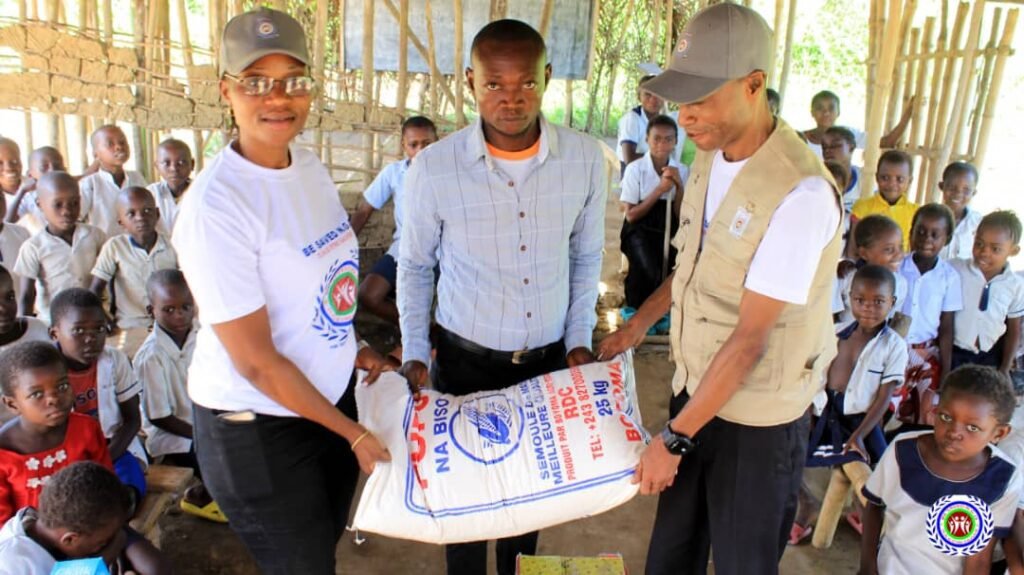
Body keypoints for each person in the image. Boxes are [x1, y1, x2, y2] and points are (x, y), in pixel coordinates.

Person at [596, 5, 843, 574]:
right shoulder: (710, 154)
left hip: (757, 421)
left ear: (754, 85)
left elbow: (751, 339)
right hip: (697, 387)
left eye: (701, 99)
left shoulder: (799, 193)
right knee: (672, 555)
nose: (685, 117)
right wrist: (636, 326)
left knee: (741, 562)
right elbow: (692, 269)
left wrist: (674, 440)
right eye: (680, 99)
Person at [171, 9, 391, 574]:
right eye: (255, 82)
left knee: (320, 548)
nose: (277, 97)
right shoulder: (216, 207)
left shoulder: (309, 168)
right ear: (227, 90)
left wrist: (353, 350)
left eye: (293, 80)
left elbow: (321, 291)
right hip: (256, 427)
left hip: (325, 402)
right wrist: (353, 431)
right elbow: (258, 363)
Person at [397, 18, 606, 575]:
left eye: (526, 84)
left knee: (526, 504)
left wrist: (580, 339)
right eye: (494, 84)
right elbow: (415, 266)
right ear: (470, 81)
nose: (511, 100)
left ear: (548, 78)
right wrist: (415, 349)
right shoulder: (434, 168)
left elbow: (587, 257)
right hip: (464, 363)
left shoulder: (586, 159)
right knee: (465, 506)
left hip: (544, 365)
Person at [861, 365, 1021, 575]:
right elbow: (874, 506)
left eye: (972, 428)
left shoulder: (1004, 478)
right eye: (946, 417)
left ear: (999, 433)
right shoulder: (903, 450)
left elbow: (980, 557)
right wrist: (867, 567)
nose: (954, 432)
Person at [792, 265, 908, 543]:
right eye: (860, 300)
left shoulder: (893, 346)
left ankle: (867, 521)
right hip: (825, 412)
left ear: (892, 303)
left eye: (879, 302)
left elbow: (883, 398)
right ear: (849, 299)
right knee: (789, 457)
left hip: (860, 422)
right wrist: (807, 409)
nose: (868, 308)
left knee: (872, 481)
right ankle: (806, 505)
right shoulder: (836, 332)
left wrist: (859, 436)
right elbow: (816, 375)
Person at [134, 269, 222, 523]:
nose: (180, 315)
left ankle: (217, 491)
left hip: (201, 418)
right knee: (209, 450)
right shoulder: (151, 357)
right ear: (152, 311)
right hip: (172, 431)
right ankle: (203, 497)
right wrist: (200, 431)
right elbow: (159, 417)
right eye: (169, 310)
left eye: (186, 306)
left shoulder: (202, 335)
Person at [48, 288, 146, 502]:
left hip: (112, 446)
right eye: (79, 331)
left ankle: (122, 515)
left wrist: (105, 459)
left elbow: (132, 420)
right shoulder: (43, 371)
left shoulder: (115, 360)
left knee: (129, 488)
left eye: (99, 329)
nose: (90, 339)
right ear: (54, 333)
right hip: (65, 452)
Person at [0, 341, 113, 523]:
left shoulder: (86, 429)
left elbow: (106, 483)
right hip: (29, 544)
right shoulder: (4, 452)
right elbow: (3, 527)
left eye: (62, 386)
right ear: (13, 404)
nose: (53, 399)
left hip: (91, 525)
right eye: (37, 394)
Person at [0, 461, 169, 575]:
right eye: (102, 543)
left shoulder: (58, 520)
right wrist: (107, 556)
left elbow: (154, 566)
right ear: (70, 539)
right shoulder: (14, 565)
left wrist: (117, 542)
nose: (109, 542)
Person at [350, 116, 438, 327]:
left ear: (438, 143)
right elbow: (364, 210)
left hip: (441, 252)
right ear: (403, 146)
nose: (420, 151)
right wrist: (343, 244)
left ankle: (426, 339)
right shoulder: (394, 173)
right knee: (368, 295)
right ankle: (424, 329)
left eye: (427, 144)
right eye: (413, 144)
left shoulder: (449, 175)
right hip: (404, 249)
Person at [90, 187, 178, 357]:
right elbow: (95, 289)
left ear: (157, 214)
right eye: (131, 214)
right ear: (120, 222)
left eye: (147, 211)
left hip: (168, 323)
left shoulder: (172, 246)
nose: (141, 218)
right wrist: (103, 318)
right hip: (129, 324)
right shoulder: (115, 247)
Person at [897, 203, 961, 427]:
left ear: (947, 238)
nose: (927, 238)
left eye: (936, 234)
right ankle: (875, 451)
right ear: (911, 231)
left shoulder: (949, 277)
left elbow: (946, 327)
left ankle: (911, 448)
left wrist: (946, 369)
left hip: (927, 353)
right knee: (888, 404)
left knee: (928, 411)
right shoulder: (897, 267)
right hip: (895, 348)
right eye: (921, 231)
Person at [13, 172, 106, 322]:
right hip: (53, 321)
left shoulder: (95, 236)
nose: (67, 211)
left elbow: (108, 275)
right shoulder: (33, 247)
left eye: (74, 203)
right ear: (40, 205)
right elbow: (27, 295)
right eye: (58, 204)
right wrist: (26, 329)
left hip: (92, 317)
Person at [620, 114, 686, 321]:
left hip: (669, 225)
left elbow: (680, 214)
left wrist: (678, 186)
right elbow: (631, 216)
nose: (662, 144)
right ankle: (638, 313)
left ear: (675, 141)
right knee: (647, 269)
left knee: (670, 269)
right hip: (640, 227)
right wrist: (659, 189)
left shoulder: (683, 170)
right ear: (647, 139)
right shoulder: (635, 169)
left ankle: (662, 315)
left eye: (668, 139)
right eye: (656, 138)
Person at [950, 210, 1024, 373]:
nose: (984, 252)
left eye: (995, 249)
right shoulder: (956, 269)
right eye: (979, 243)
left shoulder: (1015, 285)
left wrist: (1004, 368)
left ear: (1013, 251)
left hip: (990, 357)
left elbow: (1014, 330)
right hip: (954, 352)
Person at [833, 214, 907, 325]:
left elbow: (892, 320)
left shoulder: (900, 284)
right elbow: (831, 316)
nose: (899, 254)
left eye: (900, 247)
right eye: (889, 249)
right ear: (864, 253)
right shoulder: (846, 276)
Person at [79, 125, 147, 237]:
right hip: (103, 249)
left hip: (135, 248)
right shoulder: (90, 185)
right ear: (96, 154)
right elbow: (77, 218)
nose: (119, 147)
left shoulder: (136, 178)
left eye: (122, 142)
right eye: (110, 144)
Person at [802, 90, 913, 158]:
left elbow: (887, 142)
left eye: (831, 108)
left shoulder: (848, 135)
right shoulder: (799, 140)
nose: (826, 112)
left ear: (838, 112)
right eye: (820, 108)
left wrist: (908, 113)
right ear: (812, 112)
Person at [850, 150, 919, 251]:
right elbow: (853, 249)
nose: (891, 184)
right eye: (885, 178)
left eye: (899, 179)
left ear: (910, 181)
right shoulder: (862, 208)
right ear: (877, 177)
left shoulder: (916, 212)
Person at [617, 75, 684, 170]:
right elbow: (629, 158)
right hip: (633, 171)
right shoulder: (632, 119)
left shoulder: (663, 120)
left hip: (653, 169)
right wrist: (661, 157)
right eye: (648, 94)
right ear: (639, 97)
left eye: (658, 94)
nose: (653, 99)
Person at [147, 139, 194, 236]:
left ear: (192, 164)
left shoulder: (201, 192)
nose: (173, 169)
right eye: (166, 163)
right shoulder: (151, 194)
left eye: (181, 162)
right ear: (157, 166)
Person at [938, 161, 982, 260]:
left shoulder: (978, 223)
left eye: (966, 190)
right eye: (951, 187)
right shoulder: (931, 218)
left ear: (973, 193)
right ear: (941, 186)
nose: (958, 193)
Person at [821, 126, 861, 212]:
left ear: (851, 147)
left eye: (835, 145)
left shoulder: (867, 180)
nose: (828, 150)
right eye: (824, 147)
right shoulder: (816, 179)